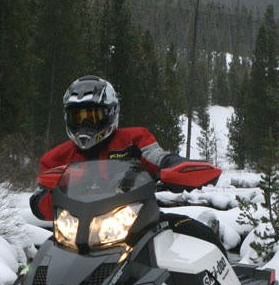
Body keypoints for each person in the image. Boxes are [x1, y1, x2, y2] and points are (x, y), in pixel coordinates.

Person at [29, 75, 219, 221]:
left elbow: (157, 157)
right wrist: (62, 185)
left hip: (135, 222)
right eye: (77, 118)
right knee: (44, 261)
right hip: (78, 228)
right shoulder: (56, 158)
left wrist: (175, 167)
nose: (85, 125)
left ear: (111, 113)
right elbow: (40, 205)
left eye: (92, 117)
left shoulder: (134, 139)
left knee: (192, 232)